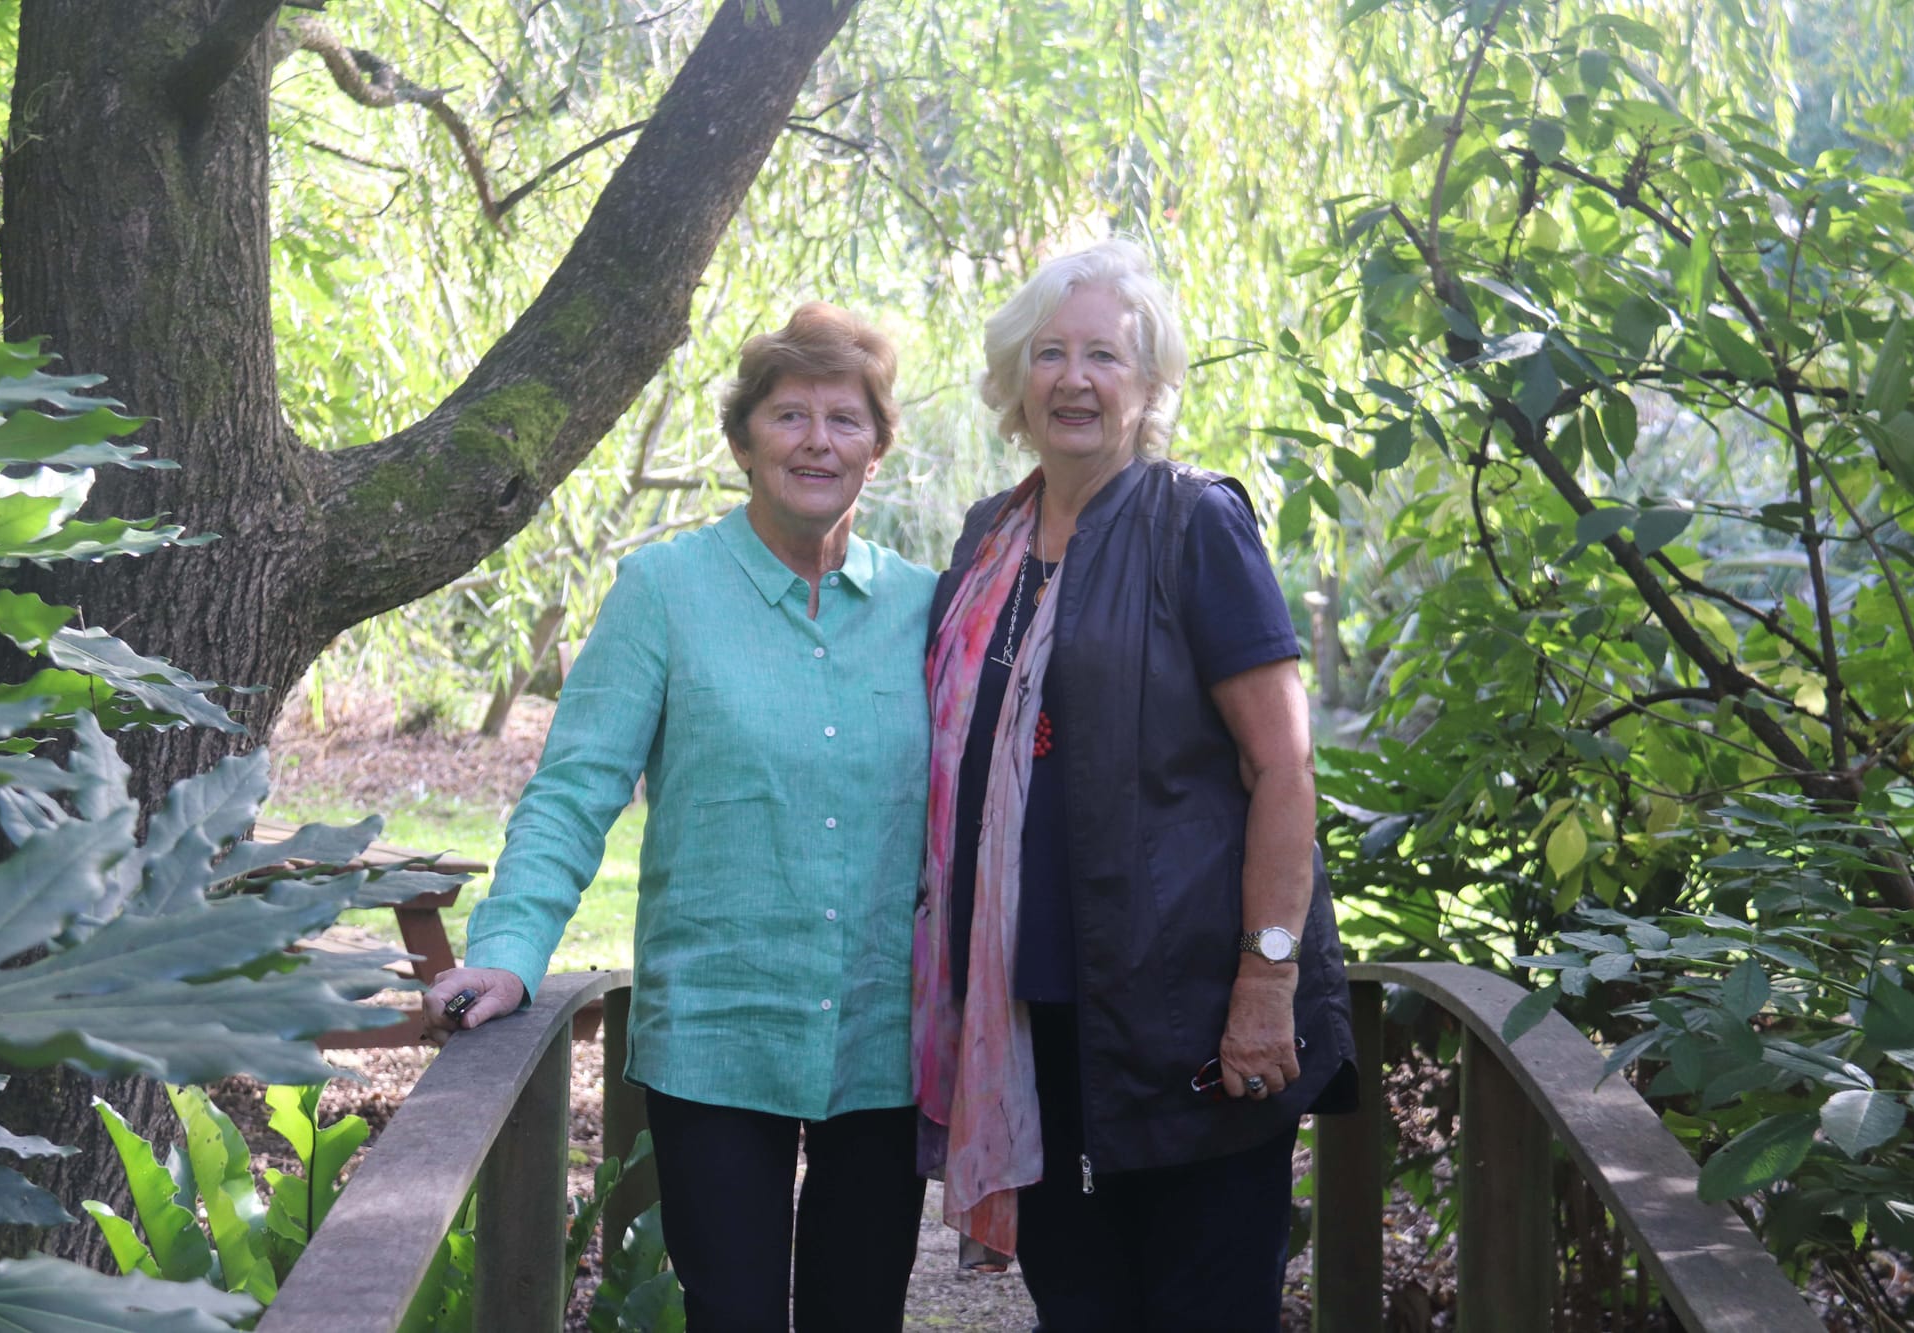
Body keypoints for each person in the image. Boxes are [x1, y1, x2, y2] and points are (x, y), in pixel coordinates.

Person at [426, 304, 934, 1333]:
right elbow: (574, 790)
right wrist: (509, 952)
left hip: (887, 1032)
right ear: (742, 441)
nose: (817, 441)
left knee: (860, 1314)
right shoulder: (663, 591)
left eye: (845, 419)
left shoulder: (927, 608)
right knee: (731, 1315)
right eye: (789, 415)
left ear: (877, 448)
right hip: (717, 1029)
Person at [911, 240, 1357, 1332]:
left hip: (1189, 1025)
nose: (1074, 379)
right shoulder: (986, 540)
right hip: (1031, 1025)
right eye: (1049, 354)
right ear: (1015, 380)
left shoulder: (1193, 522)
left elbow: (1281, 764)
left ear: (1149, 385)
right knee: (1081, 1310)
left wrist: (1265, 984)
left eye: (1104, 356)